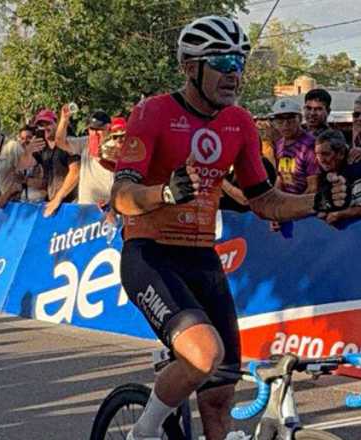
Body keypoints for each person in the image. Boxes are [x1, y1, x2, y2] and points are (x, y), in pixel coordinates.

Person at [114, 16, 345, 440]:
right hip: (151, 254)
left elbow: (263, 199)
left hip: (202, 257)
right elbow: (122, 195)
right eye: (221, 62)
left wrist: (317, 202)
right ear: (190, 68)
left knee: (220, 394)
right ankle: (141, 434)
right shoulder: (153, 113)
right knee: (204, 354)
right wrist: (163, 193)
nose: (233, 73)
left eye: (239, 62)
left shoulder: (238, 122)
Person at [313, 129, 361, 225]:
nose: (320, 160)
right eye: (317, 154)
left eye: (326, 154)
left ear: (341, 153)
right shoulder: (324, 173)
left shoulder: (358, 169)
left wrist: (340, 214)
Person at [58, 106, 116, 206]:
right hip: (85, 204)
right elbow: (60, 142)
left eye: (98, 129)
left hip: (108, 205)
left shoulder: (116, 145)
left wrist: (101, 156)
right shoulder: (85, 142)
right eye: (91, 129)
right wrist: (63, 120)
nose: (95, 133)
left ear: (108, 127)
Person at [31, 108, 80, 217]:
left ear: (56, 124)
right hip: (51, 203)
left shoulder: (68, 143)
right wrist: (28, 150)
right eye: (41, 125)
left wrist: (57, 199)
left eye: (47, 123)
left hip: (71, 204)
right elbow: (21, 167)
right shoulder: (42, 148)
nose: (45, 128)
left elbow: (75, 172)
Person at [268, 97, 319, 195]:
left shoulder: (309, 145)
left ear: (300, 119)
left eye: (290, 120)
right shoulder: (279, 144)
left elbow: (313, 187)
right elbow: (280, 178)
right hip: (286, 199)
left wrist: (295, 203)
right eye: (280, 121)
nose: (285, 125)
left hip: (305, 200)